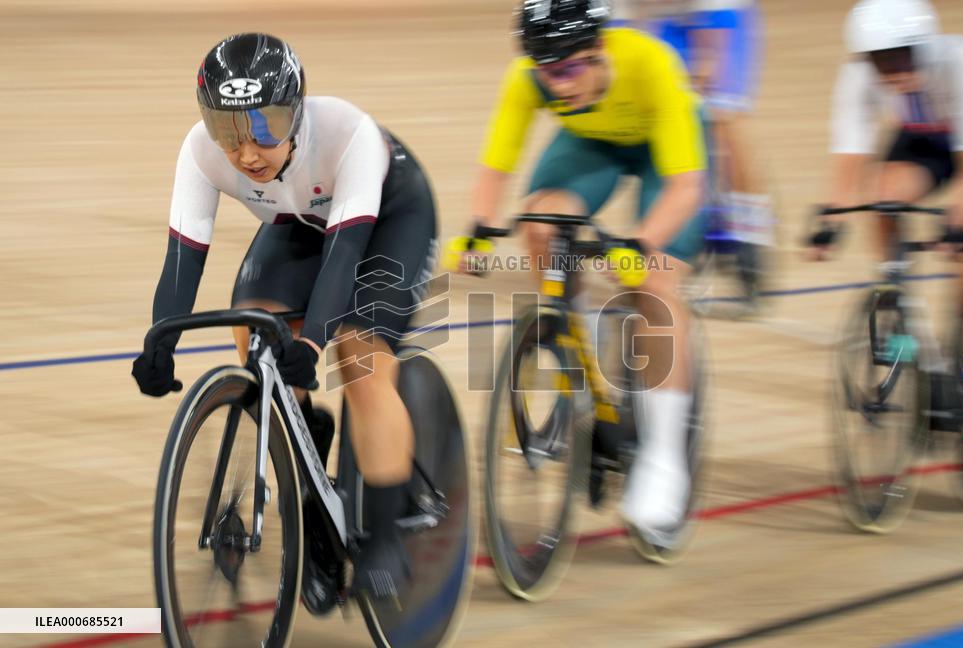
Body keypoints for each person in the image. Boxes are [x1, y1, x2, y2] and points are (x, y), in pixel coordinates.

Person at [130, 33, 438, 609]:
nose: (247, 151)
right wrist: (159, 341)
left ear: (296, 111)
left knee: (359, 353)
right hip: (302, 220)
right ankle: (313, 495)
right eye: (229, 130)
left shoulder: (348, 134)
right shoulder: (199, 151)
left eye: (266, 125)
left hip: (390, 218)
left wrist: (316, 344)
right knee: (259, 336)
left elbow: (344, 259)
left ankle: (388, 532)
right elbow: (181, 260)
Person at [447, 0, 707, 545]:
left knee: (655, 283)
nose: (557, 85)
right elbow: (497, 164)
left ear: (600, 50)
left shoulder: (653, 64)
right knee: (540, 223)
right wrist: (477, 228)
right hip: (593, 143)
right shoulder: (534, 77)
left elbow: (686, 187)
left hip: (665, 152)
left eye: (568, 69)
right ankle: (578, 335)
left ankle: (664, 463)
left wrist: (641, 243)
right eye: (546, 72)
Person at [810, 0, 963, 411]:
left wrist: (961, 223)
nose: (894, 69)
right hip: (927, 139)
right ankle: (905, 317)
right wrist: (831, 218)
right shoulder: (857, 77)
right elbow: (849, 157)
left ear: (926, 47)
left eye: (902, 56)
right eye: (882, 61)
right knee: (882, 198)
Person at [616, 0, 772, 249]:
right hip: (667, 15)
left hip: (718, 10)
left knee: (721, 118)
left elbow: (714, 52)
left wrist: (705, 77)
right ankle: (679, 213)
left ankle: (751, 227)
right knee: (667, 114)